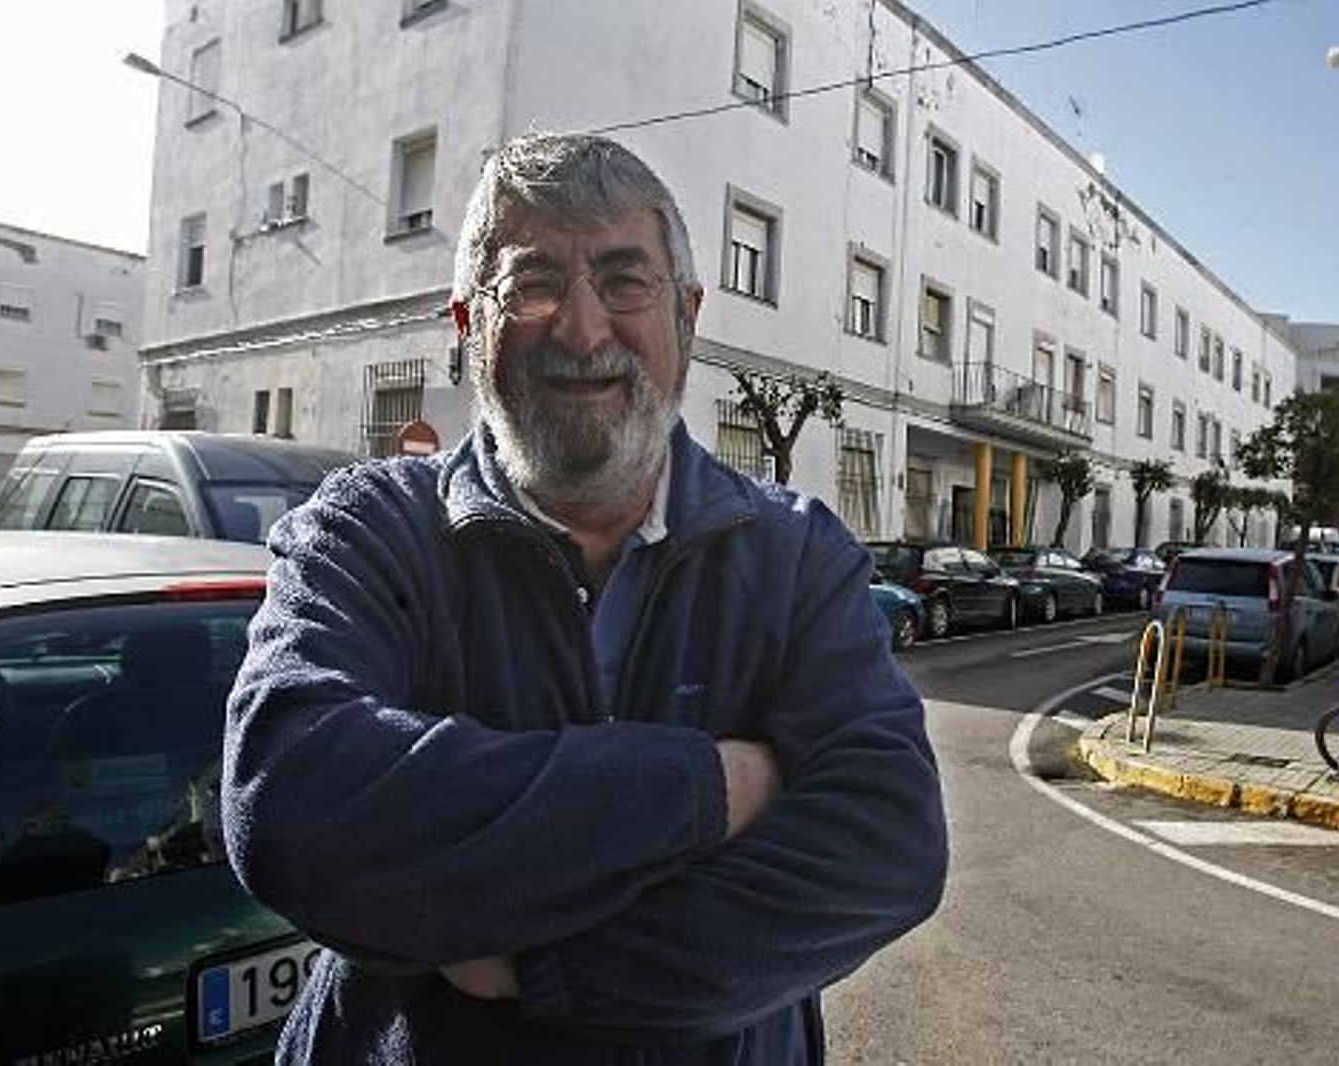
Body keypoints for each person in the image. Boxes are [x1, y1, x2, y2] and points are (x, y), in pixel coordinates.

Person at [221, 131, 948, 1063]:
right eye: (530, 285)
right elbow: (292, 807)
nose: (581, 327)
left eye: (623, 280)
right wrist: (717, 786)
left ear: (687, 314)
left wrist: (544, 971)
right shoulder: (369, 530)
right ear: (464, 326)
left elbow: (888, 845)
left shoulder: (798, 554)